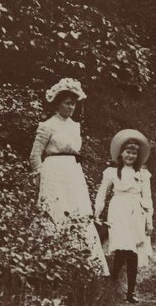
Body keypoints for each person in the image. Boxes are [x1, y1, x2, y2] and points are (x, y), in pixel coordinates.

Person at [29, 78, 109, 276]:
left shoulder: (75, 126)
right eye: (67, 102)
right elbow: (34, 155)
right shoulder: (47, 126)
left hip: (72, 173)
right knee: (55, 211)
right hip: (53, 172)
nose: (71, 107)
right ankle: (49, 263)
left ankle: (82, 264)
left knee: (77, 211)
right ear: (57, 103)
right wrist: (40, 177)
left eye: (74, 103)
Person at [95, 129, 153, 302]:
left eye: (134, 153)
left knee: (133, 250)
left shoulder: (142, 174)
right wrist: (97, 213)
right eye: (128, 152)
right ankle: (113, 281)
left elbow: (147, 198)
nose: (131, 156)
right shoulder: (111, 172)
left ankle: (130, 292)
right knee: (122, 247)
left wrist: (149, 221)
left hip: (136, 213)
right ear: (121, 153)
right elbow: (101, 193)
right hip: (118, 211)